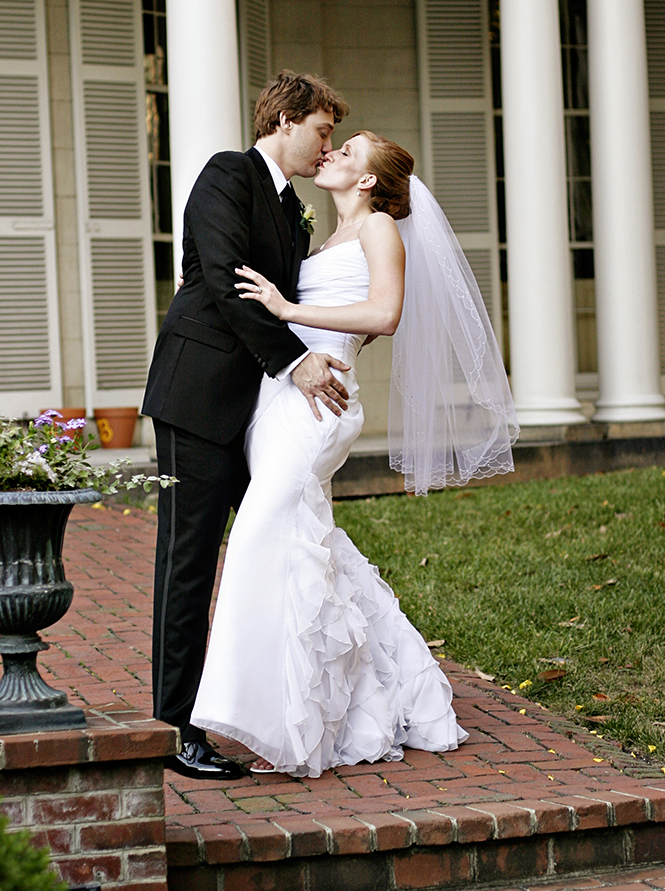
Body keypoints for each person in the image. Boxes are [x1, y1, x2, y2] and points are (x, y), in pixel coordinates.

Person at [190, 131, 519, 776]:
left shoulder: (379, 231)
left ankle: (269, 716)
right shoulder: (326, 236)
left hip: (324, 400)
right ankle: (352, 691)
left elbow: (386, 313)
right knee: (301, 543)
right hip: (285, 399)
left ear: (367, 180)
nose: (333, 154)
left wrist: (285, 307)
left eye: (349, 152)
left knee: (260, 537)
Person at [142, 72, 350, 779]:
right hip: (197, 400)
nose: (327, 147)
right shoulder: (227, 173)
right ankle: (175, 729)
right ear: (286, 121)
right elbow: (229, 279)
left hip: (255, 413)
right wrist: (297, 364)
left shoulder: (292, 207)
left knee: (274, 555)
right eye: (321, 130)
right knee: (189, 565)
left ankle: (257, 709)